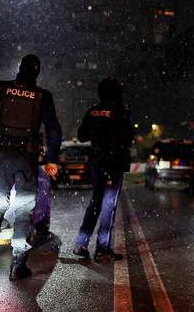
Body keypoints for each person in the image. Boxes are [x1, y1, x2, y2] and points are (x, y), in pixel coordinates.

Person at [0, 54, 62, 281]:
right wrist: (52, 159)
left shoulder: (1, 89)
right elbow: (54, 130)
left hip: (2, 154)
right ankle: (18, 265)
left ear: (19, 69)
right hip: (26, 157)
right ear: (37, 73)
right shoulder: (42, 96)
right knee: (24, 210)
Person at [73, 78, 135, 261]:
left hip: (96, 164)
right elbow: (129, 137)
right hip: (113, 165)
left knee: (95, 203)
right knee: (108, 207)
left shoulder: (93, 111)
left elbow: (81, 136)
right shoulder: (122, 112)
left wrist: (97, 134)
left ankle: (81, 244)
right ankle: (102, 249)